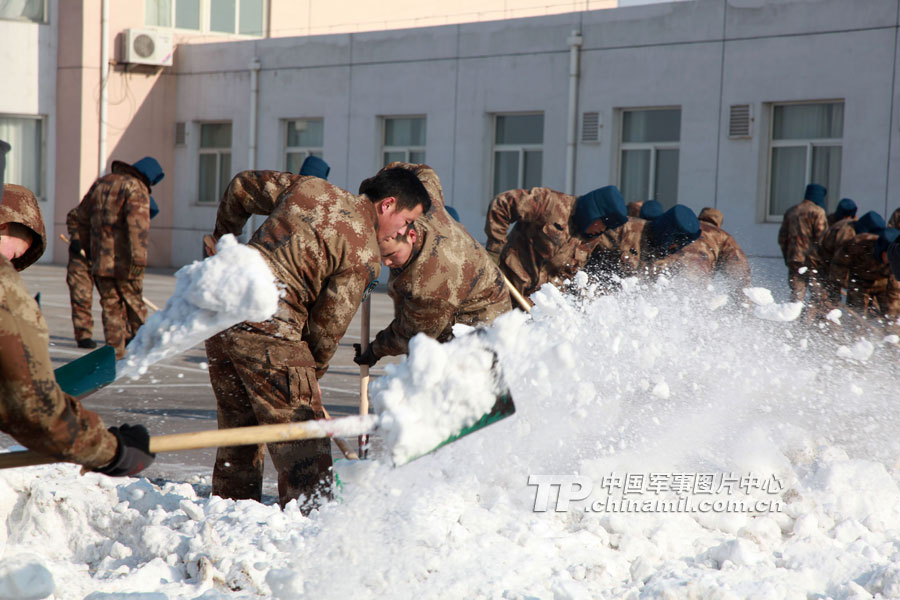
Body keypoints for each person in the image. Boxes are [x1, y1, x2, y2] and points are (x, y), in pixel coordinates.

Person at [203, 167, 430, 509]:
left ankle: (229, 516)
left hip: (221, 311)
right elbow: (326, 331)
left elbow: (241, 186)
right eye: (407, 221)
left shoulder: (311, 188)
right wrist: (309, 378)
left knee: (240, 432)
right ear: (388, 205)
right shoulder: (364, 255)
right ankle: (311, 534)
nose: (406, 230)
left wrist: (224, 243)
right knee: (305, 453)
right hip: (269, 328)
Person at [0, 184, 154, 477]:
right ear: (5, 222)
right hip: (108, 263)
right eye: (15, 253)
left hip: (94, 260)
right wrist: (115, 452)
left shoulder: (101, 188)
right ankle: (111, 339)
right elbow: (37, 412)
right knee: (110, 304)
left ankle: (104, 338)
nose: (11, 266)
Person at [354, 164, 509, 366]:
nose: (386, 263)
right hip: (457, 294)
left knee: (462, 378)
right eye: (381, 256)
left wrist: (375, 350)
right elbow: (425, 172)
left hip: (480, 316)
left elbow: (411, 333)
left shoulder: (430, 278)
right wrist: (381, 184)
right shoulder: (422, 202)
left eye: (391, 255)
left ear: (411, 235)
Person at [76, 156, 164, 359]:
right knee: (134, 306)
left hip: (100, 259)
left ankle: (115, 354)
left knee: (110, 306)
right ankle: (142, 352)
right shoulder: (136, 188)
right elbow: (137, 228)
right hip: (126, 261)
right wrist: (138, 261)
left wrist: (90, 251)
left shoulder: (102, 182)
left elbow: (81, 216)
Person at [484, 185, 628, 300]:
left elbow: (566, 274)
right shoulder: (549, 203)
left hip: (531, 304)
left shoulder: (591, 239)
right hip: (501, 285)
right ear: (594, 212)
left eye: (606, 228)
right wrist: (494, 251)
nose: (601, 230)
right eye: (602, 223)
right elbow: (502, 204)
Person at [830, 219, 899, 321]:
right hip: (859, 283)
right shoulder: (859, 244)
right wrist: (836, 288)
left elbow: (895, 292)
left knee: (890, 318)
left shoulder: (896, 260)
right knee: (856, 317)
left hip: (883, 285)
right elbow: (839, 264)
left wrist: (892, 321)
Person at [777, 183, 828, 310]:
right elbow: (823, 238)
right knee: (817, 296)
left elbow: (782, 239)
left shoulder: (791, 211)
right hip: (813, 261)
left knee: (797, 295)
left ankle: (795, 325)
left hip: (794, 259)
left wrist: (788, 258)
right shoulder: (818, 212)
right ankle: (812, 325)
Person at [65, 205, 97, 348]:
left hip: (107, 259)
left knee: (113, 300)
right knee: (81, 296)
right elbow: (73, 216)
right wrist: (76, 238)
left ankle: (121, 336)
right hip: (81, 258)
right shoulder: (93, 201)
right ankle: (83, 334)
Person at [818, 198, 858, 306]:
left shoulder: (853, 225)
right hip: (826, 264)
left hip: (839, 266)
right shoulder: (830, 222)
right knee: (825, 299)